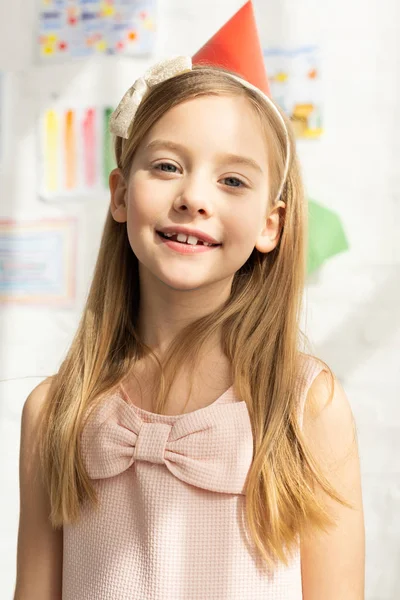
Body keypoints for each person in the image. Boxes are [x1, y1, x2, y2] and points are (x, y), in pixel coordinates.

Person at [14, 2, 365, 599]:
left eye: (232, 180)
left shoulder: (306, 408)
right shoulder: (55, 413)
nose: (195, 197)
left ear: (270, 225)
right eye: (169, 166)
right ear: (120, 195)